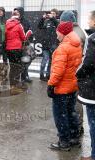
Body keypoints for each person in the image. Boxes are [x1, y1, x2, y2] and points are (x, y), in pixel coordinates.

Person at [47, 21, 82, 151]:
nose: (56, 35)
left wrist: (51, 85)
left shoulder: (62, 48)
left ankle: (64, 142)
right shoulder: (77, 45)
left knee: (60, 115)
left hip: (61, 88)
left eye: (58, 33)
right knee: (71, 112)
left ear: (63, 32)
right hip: (72, 86)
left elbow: (58, 71)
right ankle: (74, 137)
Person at [76, 11, 95, 160]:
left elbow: (87, 63)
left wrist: (78, 73)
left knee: (93, 123)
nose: (88, 21)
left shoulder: (92, 38)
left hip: (93, 89)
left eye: (90, 18)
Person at [38, 9, 59, 81]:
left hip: (53, 45)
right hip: (45, 45)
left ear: (56, 14)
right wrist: (42, 18)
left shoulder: (57, 22)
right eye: (51, 13)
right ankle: (41, 75)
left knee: (51, 61)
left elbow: (58, 26)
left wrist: (53, 18)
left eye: (53, 13)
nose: (52, 14)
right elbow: (39, 26)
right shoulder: (46, 21)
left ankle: (48, 75)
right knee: (45, 59)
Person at [5, 13, 26, 85]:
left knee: (12, 66)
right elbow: (23, 37)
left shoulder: (6, 24)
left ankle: (12, 84)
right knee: (17, 67)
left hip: (8, 49)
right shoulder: (19, 25)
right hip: (17, 48)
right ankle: (16, 83)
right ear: (17, 19)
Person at [13, 7, 33, 83]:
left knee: (25, 61)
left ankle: (25, 77)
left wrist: (27, 42)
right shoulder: (12, 21)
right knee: (17, 63)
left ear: (21, 12)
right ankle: (17, 79)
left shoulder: (26, 21)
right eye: (15, 12)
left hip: (24, 45)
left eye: (17, 12)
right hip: (16, 46)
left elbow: (30, 31)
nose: (16, 13)